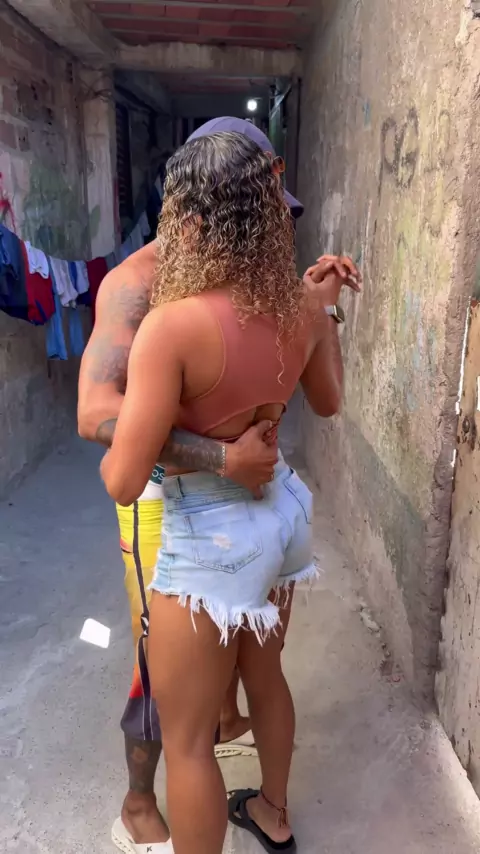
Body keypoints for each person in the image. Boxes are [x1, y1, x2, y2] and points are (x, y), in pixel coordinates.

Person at [78, 116, 352, 854]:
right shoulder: (299, 303)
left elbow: (123, 478)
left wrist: (150, 437)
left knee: (190, 741)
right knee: (269, 677)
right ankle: (273, 810)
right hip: (282, 512)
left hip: (211, 533)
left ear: (190, 214)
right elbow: (328, 402)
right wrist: (324, 304)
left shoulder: (171, 324)